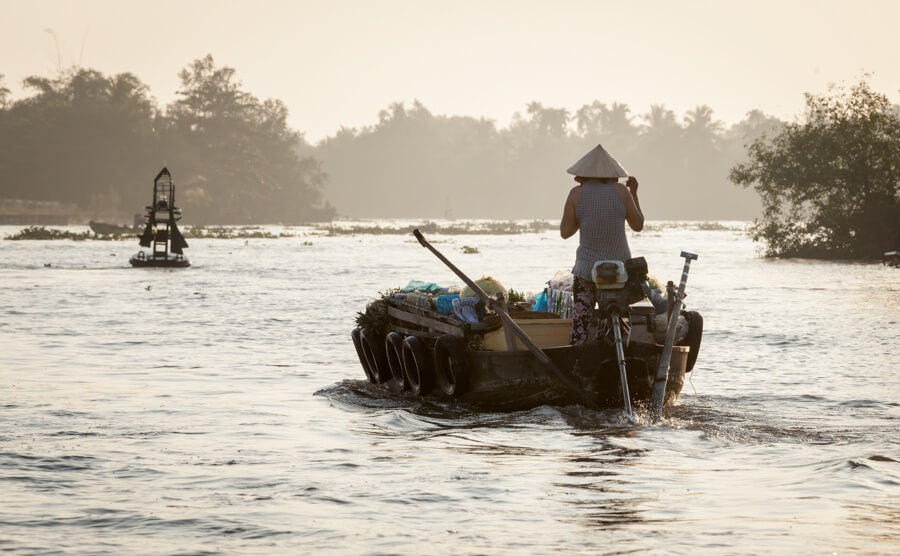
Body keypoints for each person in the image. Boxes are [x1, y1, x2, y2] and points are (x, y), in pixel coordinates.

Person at [560, 144, 644, 345]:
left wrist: (584, 219)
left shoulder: (576, 194)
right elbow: (638, 225)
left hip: (587, 270)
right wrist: (634, 193)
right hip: (619, 271)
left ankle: (578, 360)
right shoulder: (622, 191)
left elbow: (565, 233)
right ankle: (614, 354)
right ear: (612, 174)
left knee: (581, 325)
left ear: (583, 175)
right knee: (616, 320)